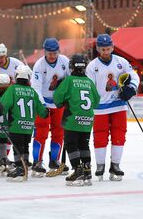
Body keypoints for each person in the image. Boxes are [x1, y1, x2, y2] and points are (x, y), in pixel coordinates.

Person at [86, 33, 139, 181]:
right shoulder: (92, 66)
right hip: (99, 107)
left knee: (119, 135)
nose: (105, 52)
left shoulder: (121, 62)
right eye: (102, 49)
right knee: (100, 136)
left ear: (112, 47)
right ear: (98, 49)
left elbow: (133, 76)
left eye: (108, 49)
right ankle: (100, 165)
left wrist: (131, 88)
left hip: (119, 105)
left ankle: (115, 165)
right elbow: (89, 87)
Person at [53, 54, 100, 186]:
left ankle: (77, 170)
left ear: (72, 66)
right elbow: (96, 101)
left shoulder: (69, 81)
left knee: (71, 144)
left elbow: (57, 98)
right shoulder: (89, 82)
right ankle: (87, 171)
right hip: (87, 119)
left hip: (72, 119)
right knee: (84, 145)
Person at [0, 65, 48, 182]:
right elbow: (42, 110)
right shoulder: (32, 92)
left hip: (16, 125)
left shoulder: (13, 89)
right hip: (28, 126)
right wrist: (46, 112)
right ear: (28, 77)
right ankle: (24, 168)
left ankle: (19, 169)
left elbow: (4, 104)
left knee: (17, 147)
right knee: (25, 147)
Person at [31, 38, 71, 177]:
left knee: (59, 132)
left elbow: (70, 81)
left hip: (59, 104)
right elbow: (36, 87)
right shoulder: (39, 65)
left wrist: (68, 99)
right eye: (49, 53)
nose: (52, 56)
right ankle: (37, 161)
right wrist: (41, 104)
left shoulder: (65, 61)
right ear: (45, 52)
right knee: (41, 133)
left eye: (55, 53)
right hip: (44, 102)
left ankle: (54, 160)